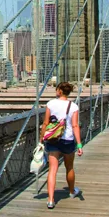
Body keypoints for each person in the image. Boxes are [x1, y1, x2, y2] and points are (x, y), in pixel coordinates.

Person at [40, 81, 83, 209]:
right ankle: (71, 191)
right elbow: (75, 125)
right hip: (67, 140)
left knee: (52, 169)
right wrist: (79, 145)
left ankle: (50, 200)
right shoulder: (73, 106)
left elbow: (46, 123)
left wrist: (41, 138)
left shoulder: (51, 103)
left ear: (59, 91)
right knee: (69, 167)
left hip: (52, 139)